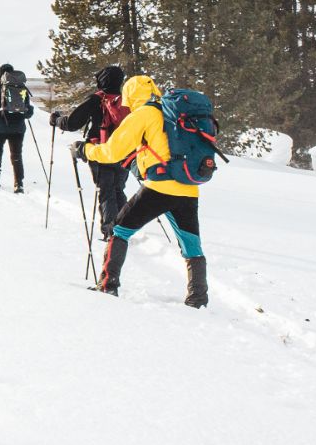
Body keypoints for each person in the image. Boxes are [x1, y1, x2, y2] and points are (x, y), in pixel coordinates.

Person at [81, 74, 209, 307]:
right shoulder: (175, 113)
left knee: (119, 230)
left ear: (129, 95)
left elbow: (112, 152)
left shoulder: (143, 114)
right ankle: (198, 298)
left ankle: (108, 285)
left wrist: (87, 150)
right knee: (191, 244)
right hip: (189, 189)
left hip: (158, 188)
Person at [51, 64, 129, 230]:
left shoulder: (96, 98)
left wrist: (56, 120)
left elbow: (72, 123)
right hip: (124, 151)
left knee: (106, 190)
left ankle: (110, 228)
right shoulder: (127, 100)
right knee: (118, 189)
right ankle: (123, 228)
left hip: (99, 149)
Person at [0, 63, 34, 191]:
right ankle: (18, 184)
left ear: (0, 75)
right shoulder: (22, 89)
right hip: (18, 128)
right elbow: (27, 112)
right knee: (16, 155)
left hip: (0, 127)